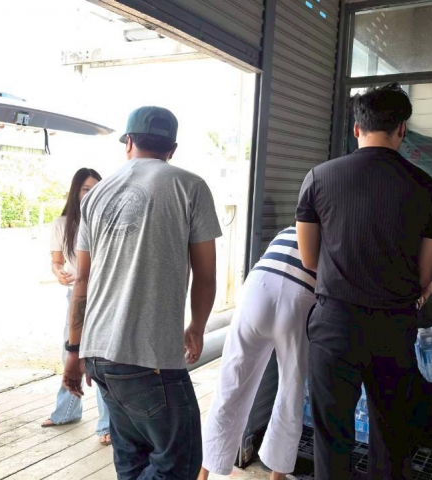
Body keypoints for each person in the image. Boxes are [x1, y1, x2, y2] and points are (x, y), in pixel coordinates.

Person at [62, 106, 222, 480]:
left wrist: (73, 350)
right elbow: (206, 275)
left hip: (99, 355)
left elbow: (82, 280)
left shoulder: (96, 194)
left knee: (132, 458)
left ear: (129, 142)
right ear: (173, 148)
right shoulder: (190, 186)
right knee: (181, 462)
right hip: (148, 358)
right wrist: (197, 327)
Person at [295, 83, 432, 480]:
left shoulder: (319, 177)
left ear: (357, 129)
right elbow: (424, 274)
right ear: (402, 129)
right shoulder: (428, 188)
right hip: (394, 329)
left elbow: (309, 258)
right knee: (392, 435)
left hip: (335, 324)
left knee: (331, 437)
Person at [199, 227, 316, 480]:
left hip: (257, 288)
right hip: (300, 295)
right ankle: (277, 476)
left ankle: (203, 474)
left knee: (231, 382)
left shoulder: (289, 230)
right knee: (291, 392)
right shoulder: (335, 238)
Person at [41, 168, 111, 447]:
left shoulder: (107, 220)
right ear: (76, 192)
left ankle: (107, 425)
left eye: (96, 188)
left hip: (104, 295)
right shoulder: (62, 224)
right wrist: (58, 272)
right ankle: (67, 412)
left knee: (100, 358)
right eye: (85, 189)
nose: (91, 194)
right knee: (69, 352)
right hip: (76, 295)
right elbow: (57, 261)